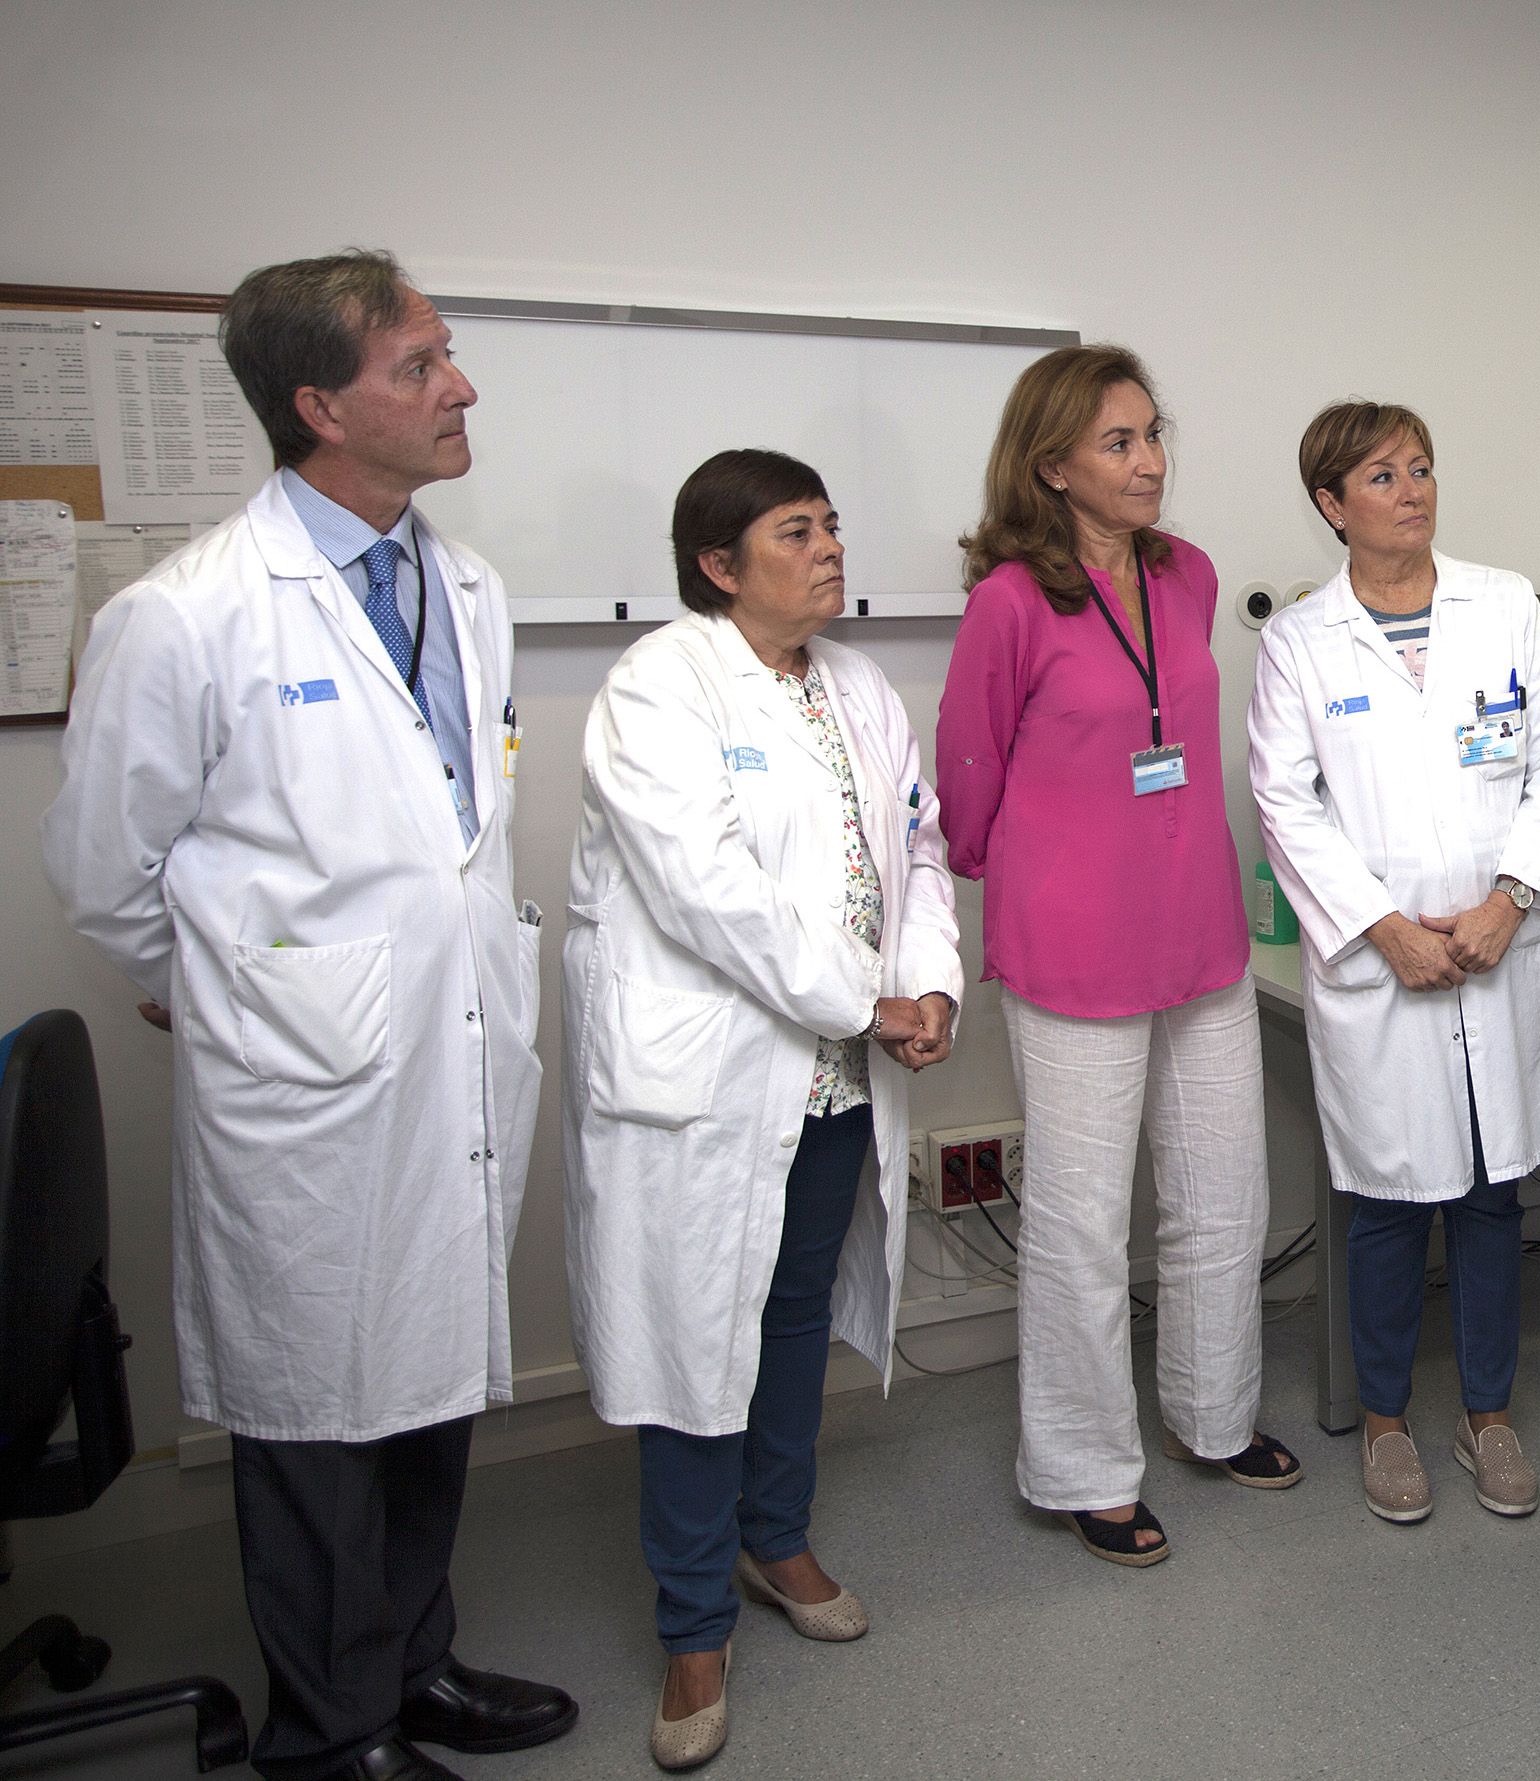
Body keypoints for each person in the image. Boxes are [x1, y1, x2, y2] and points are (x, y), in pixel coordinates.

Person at [42, 250, 573, 1781]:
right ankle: (329, 1734)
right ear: (320, 406)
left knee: (426, 1372)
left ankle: (413, 1664)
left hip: (448, 1049)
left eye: (447, 353)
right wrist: (242, 986)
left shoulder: (465, 587)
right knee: (315, 1403)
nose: (461, 386)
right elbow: (105, 873)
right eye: (420, 365)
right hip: (305, 1079)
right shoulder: (188, 615)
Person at [560, 450, 965, 1769]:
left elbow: (917, 846)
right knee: (696, 1338)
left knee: (791, 1320)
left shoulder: (857, 685)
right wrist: (870, 1000)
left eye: (832, 524)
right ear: (719, 565)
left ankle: (773, 1537)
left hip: (833, 1077)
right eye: (797, 531)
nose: (831, 547)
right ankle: (692, 1627)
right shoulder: (657, 688)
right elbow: (710, 893)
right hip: (713, 1077)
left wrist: (930, 983)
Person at [937, 345, 1301, 1568]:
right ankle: (1085, 1466)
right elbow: (969, 768)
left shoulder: (1187, 574)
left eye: (1154, 435)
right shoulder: (1009, 601)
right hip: (1074, 942)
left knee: (1223, 1198)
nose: (1151, 462)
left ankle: (1214, 1414)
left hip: (1198, 929)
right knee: (1083, 1225)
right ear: (1052, 466)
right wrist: (1018, 870)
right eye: (1120, 442)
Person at [1247, 402, 1540, 1523]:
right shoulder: (1302, 642)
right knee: (1389, 1203)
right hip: (1384, 966)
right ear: (1332, 505)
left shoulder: (1504, 606)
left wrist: (1509, 899)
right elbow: (1285, 805)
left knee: (1492, 1196)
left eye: (1423, 468)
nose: (1413, 490)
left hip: (1498, 946)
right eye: (1383, 476)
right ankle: (1385, 1420)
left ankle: (1488, 1411)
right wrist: (1384, 928)